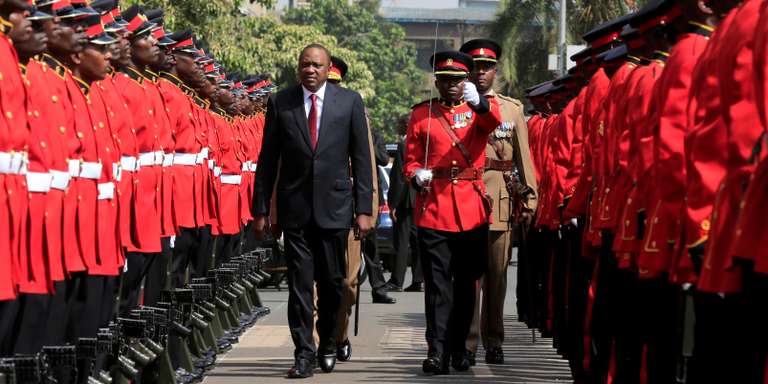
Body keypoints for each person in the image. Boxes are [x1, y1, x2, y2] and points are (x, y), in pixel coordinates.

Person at [253, 43, 374, 379]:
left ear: (327, 68)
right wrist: (261, 208)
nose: (310, 71)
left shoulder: (349, 102)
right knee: (300, 287)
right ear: (298, 68)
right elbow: (267, 160)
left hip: (336, 210)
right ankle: (303, 353)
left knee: (334, 285)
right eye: (305, 65)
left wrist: (364, 210)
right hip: (296, 212)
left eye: (317, 66)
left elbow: (362, 160)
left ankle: (329, 344)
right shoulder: (281, 102)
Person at [404, 51, 502, 375]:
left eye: (458, 80)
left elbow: (493, 125)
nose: (451, 86)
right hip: (435, 209)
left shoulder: (478, 109)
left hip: (470, 209)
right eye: (445, 80)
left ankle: (460, 348)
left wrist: (480, 104)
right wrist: (415, 174)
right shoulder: (422, 114)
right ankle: (437, 350)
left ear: (467, 81)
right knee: (437, 287)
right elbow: (411, 159)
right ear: (437, 82)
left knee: (466, 285)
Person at [459, 38, 538, 366]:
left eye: (486, 68)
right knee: (468, 278)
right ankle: (467, 343)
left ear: (495, 71)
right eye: (475, 68)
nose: (481, 74)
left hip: (500, 201)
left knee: (497, 275)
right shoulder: (459, 105)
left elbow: (524, 156)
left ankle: (494, 340)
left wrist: (530, 197)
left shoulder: (512, 109)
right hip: (464, 201)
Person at [386, 114, 423, 292]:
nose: (397, 127)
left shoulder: (404, 145)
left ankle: (396, 280)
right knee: (417, 241)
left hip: (406, 200)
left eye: (399, 124)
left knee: (401, 241)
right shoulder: (423, 142)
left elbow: (400, 178)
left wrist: (393, 204)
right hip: (420, 198)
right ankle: (418, 280)